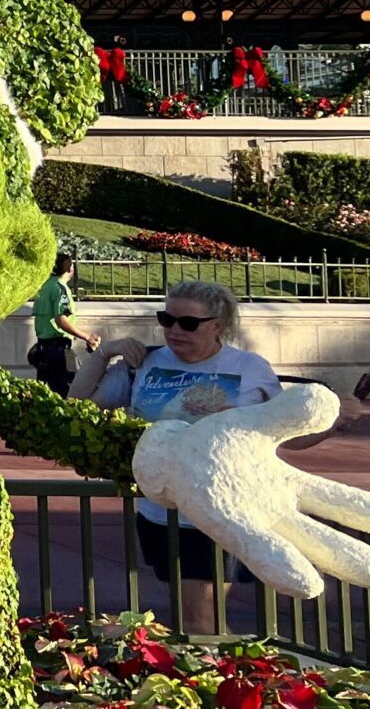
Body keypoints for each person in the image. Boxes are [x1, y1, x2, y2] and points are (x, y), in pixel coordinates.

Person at [73, 280, 342, 630]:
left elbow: (286, 436)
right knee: (195, 617)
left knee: (199, 617)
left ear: (217, 324)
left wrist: (335, 424)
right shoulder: (146, 362)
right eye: (166, 319)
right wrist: (104, 352)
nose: (173, 330)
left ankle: (224, 680)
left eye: (187, 323)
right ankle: (230, 676)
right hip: (159, 512)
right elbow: (76, 407)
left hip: (221, 510)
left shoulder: (249, 367)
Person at [27, 250, 100, 394]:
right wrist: (87, 337)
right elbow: (61, 320)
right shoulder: (60, 289)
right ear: (70, 268)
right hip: (58, 351)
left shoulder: (45, 287)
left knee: (44, 393)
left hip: (42, 348)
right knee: (68, 391)